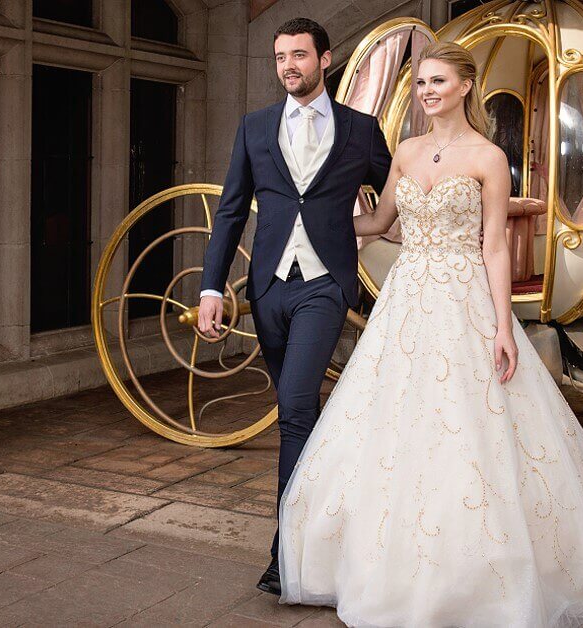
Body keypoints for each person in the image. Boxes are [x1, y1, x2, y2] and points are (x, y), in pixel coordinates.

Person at [275, 41, 583, 627]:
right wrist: (309, 217)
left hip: (464, 298)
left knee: (469, 421)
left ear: (465, 86)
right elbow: (380, 222)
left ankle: (479, 563)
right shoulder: (405, 150)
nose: (426, 92)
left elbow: (495, 246)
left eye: (437, 81)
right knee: (392, 417)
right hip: (405, 300)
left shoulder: (488, 157)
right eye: (421, 82)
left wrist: (503, 326)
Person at [196, 17, 391, 596]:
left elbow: (403, 193)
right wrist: (211, 288)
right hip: (268, 290)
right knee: (297, 412)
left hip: (324, 287)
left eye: (299, 55)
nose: (288, 66)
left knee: (297, 409)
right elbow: (231, 211)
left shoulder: (361, 130)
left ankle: (286, 556)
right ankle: (330, 528)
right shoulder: (254, 127)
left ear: (324, 59)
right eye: (281, 57)